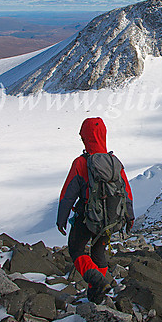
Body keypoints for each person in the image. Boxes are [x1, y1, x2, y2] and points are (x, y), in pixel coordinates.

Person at [57, 117, 134, 303]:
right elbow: (126, 191)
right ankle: (97, 295)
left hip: (87, 218)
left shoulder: (81, 163)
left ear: (85, 137)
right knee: (99, 253)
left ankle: (97, 282)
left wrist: (61, 219)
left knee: (76, 249)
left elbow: (68, 193)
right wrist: (129, 217)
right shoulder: (115, 162)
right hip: (110, 220)